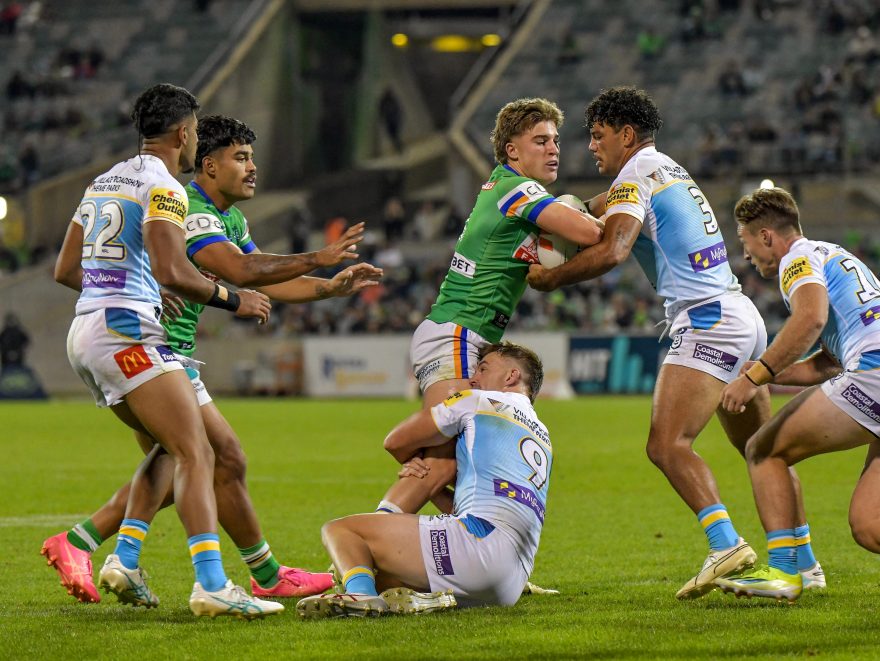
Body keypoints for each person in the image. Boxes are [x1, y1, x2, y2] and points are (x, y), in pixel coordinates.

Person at [42, 115, 382, 605]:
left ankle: (128, 560)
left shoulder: (229, 217)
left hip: (149, 346)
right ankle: (113, 551)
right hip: (151, 348)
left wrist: (329, 287)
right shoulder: (194, 210)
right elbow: (240, 271)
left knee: (182, 461)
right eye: (240, 158)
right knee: (202, 456)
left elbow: (264, 275)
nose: (252, 168)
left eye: (251, 157)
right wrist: (317, 259)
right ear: (208, 163)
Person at [527, 86, 804, 599]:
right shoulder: (664, 168)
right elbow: (593, 210)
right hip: (738, 313)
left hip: (707, 321)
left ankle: (726, 544)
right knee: (762, 449)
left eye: (598, 135)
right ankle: (802, 563)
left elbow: (612, 250)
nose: (591, 146)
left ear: (626, 135)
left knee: (667, 445)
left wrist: (551, 277)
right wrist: (554, 211)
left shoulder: (634, 174)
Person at [49, 83, 280, 618]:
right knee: (195, 452)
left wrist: (138, 289)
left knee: (179, 448)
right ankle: (213, 585)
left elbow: (65, 271)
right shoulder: (165, 186)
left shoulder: (102, 181)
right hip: (126, 332)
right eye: (196, 131)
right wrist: (233, 298)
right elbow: (175, 270)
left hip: (87, 330)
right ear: (184, 133)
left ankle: (120, 556)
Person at [712, 187, 880, 607]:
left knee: (763, 450)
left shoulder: (796, 258)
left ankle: (786, 571)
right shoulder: (834, 254)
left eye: (746, 241)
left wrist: (754, 377)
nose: (747, 254)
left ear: (767, 235)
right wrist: (768, 376)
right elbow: (828, 362)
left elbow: (811, 319)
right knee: (869, 522)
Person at [373, 98, 599, 520]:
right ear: (512, 150)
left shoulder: (503, 188)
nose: (554, 149)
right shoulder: (518, 190)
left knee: (452, 459)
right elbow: (587, 232)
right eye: (540, 141)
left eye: (555, 141)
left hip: (458, 332)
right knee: (441, 462)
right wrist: (625, 212)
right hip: (459, 332)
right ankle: (365, 559)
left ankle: (454, 550)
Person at [297, 342, 551, 617]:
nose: (473, 378)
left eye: (483, 368)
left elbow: (395, 441)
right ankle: (427, 599)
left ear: (511, 376)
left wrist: (412, 462)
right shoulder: (543, 437)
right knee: (380, 573)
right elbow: (483, 505)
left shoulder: (479, 401)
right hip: (509, 583)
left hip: (477, 552)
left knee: (341, 532)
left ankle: (360, 597)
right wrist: (432, 489)